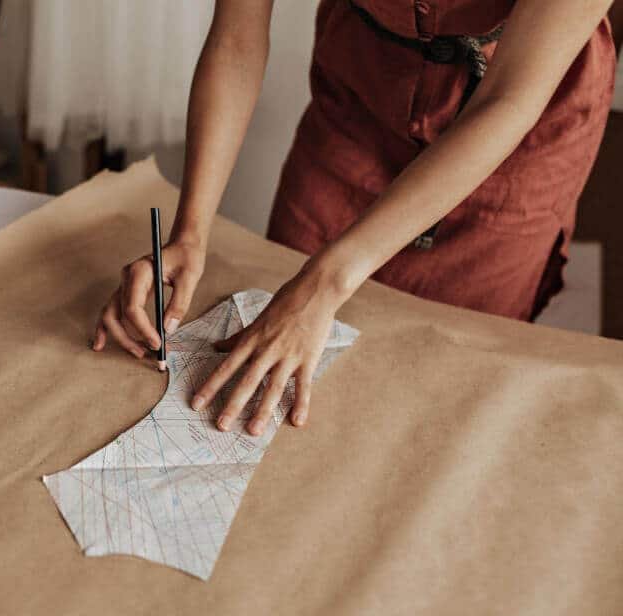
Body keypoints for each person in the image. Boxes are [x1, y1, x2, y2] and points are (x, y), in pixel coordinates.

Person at [92, 0, 618, 435]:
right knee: (280, 338)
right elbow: (235, 42)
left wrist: (325, 283)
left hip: (512, 120)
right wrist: (191, 231)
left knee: (442, 395)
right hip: (361, 90)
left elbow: (508, 100)